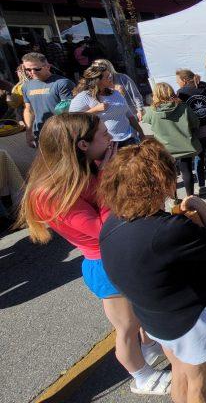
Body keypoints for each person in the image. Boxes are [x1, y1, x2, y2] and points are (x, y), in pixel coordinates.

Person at [19, 113, 170, 395]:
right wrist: (107, 177)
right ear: (82, 145)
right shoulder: (50, 193)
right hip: (104, 263)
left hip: (121, 255)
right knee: (126, 327)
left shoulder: (86, 168)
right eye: (103, 134)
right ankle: (142, 377)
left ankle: (149, 347)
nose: (111, 137)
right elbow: (102, 229)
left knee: (139, 313)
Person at [98, 139, 206, 403]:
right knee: (199, 382)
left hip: (154, 319)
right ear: (159, 183)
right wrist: (202, 208)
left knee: (179, 370)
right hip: (190, 319)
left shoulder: (112, 223)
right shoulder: (169, 230)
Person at [143, 83, 201, 198]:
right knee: (187, 171)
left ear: (156, 95)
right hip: (184, 145)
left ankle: (174, 199)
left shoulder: (152, 111)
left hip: (165, 148)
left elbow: (146, 120)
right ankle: (190, 198)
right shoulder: (183, 107)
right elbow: (195, 123)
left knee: (170, 174)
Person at [70, 64, 143, 148]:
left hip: (130, 138)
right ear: (97, 81)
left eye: (110, 75)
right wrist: (95, 110)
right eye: (108, 77)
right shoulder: (84, 97)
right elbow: (72, 120)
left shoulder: (116, 93)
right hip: (107, 144)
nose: (111, 78)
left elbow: (130, 116)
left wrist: (141, 134)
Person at [176, 69, 206, 196]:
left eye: (178, 81)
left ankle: (201, 186)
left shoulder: (181, 93)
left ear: (184, 80)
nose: (177, 83)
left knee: (199, 158)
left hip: (197, 131)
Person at [21, 52, 75, 147]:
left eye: (37, 69)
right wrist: (29, 132)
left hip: (63, 133)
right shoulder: (26, 86)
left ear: (48, 67)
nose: (32, 72)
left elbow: (72, 111)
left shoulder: (62, 83)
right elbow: (28, 110)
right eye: (28, 69)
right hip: (40, 133)